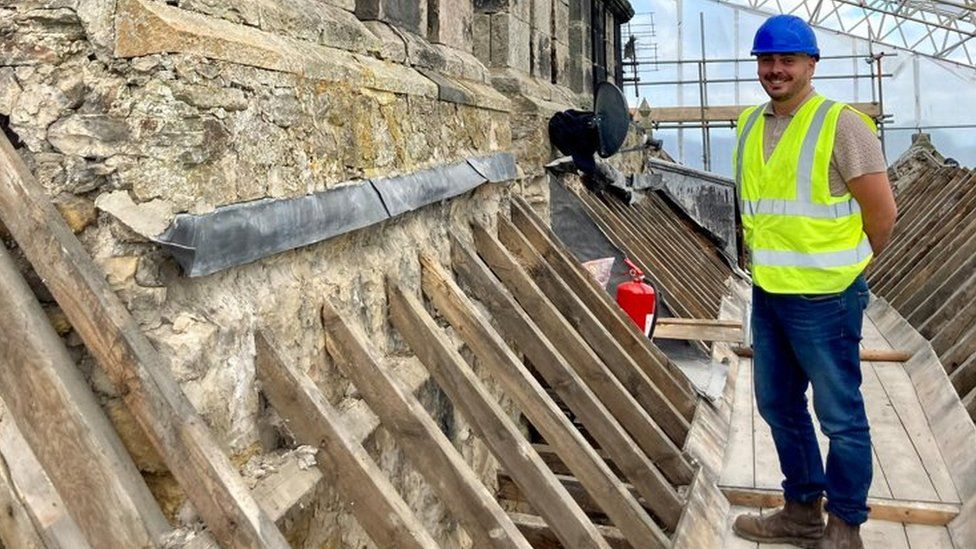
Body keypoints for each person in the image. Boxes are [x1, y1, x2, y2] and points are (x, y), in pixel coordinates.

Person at [731, 14, 897, 549]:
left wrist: (849, 274)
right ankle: (801, 510)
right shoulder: (749, 125)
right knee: (778, 405)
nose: (775, 70)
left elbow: (882, 215)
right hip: (770, 293)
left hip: (826, 299)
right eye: (766, 60)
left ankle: (844, 526)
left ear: (811, 64)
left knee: (841, 416)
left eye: (787, 60)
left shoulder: (843, 125)